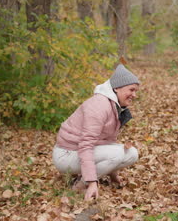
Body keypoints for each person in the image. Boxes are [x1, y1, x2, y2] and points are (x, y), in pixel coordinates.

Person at [52, 64, 140, 201]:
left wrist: (113, 173)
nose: (134, 95)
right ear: (117, 88)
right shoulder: (99, 106)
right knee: (117, 153)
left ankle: (87, 178)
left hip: (79, 151)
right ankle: (81, 184)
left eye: (136, 91)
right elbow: (86, 144)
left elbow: (109, 140)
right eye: (132, 90)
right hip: (66, 154)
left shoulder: (115, 106)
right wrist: (92, 183)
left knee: (132, 153)